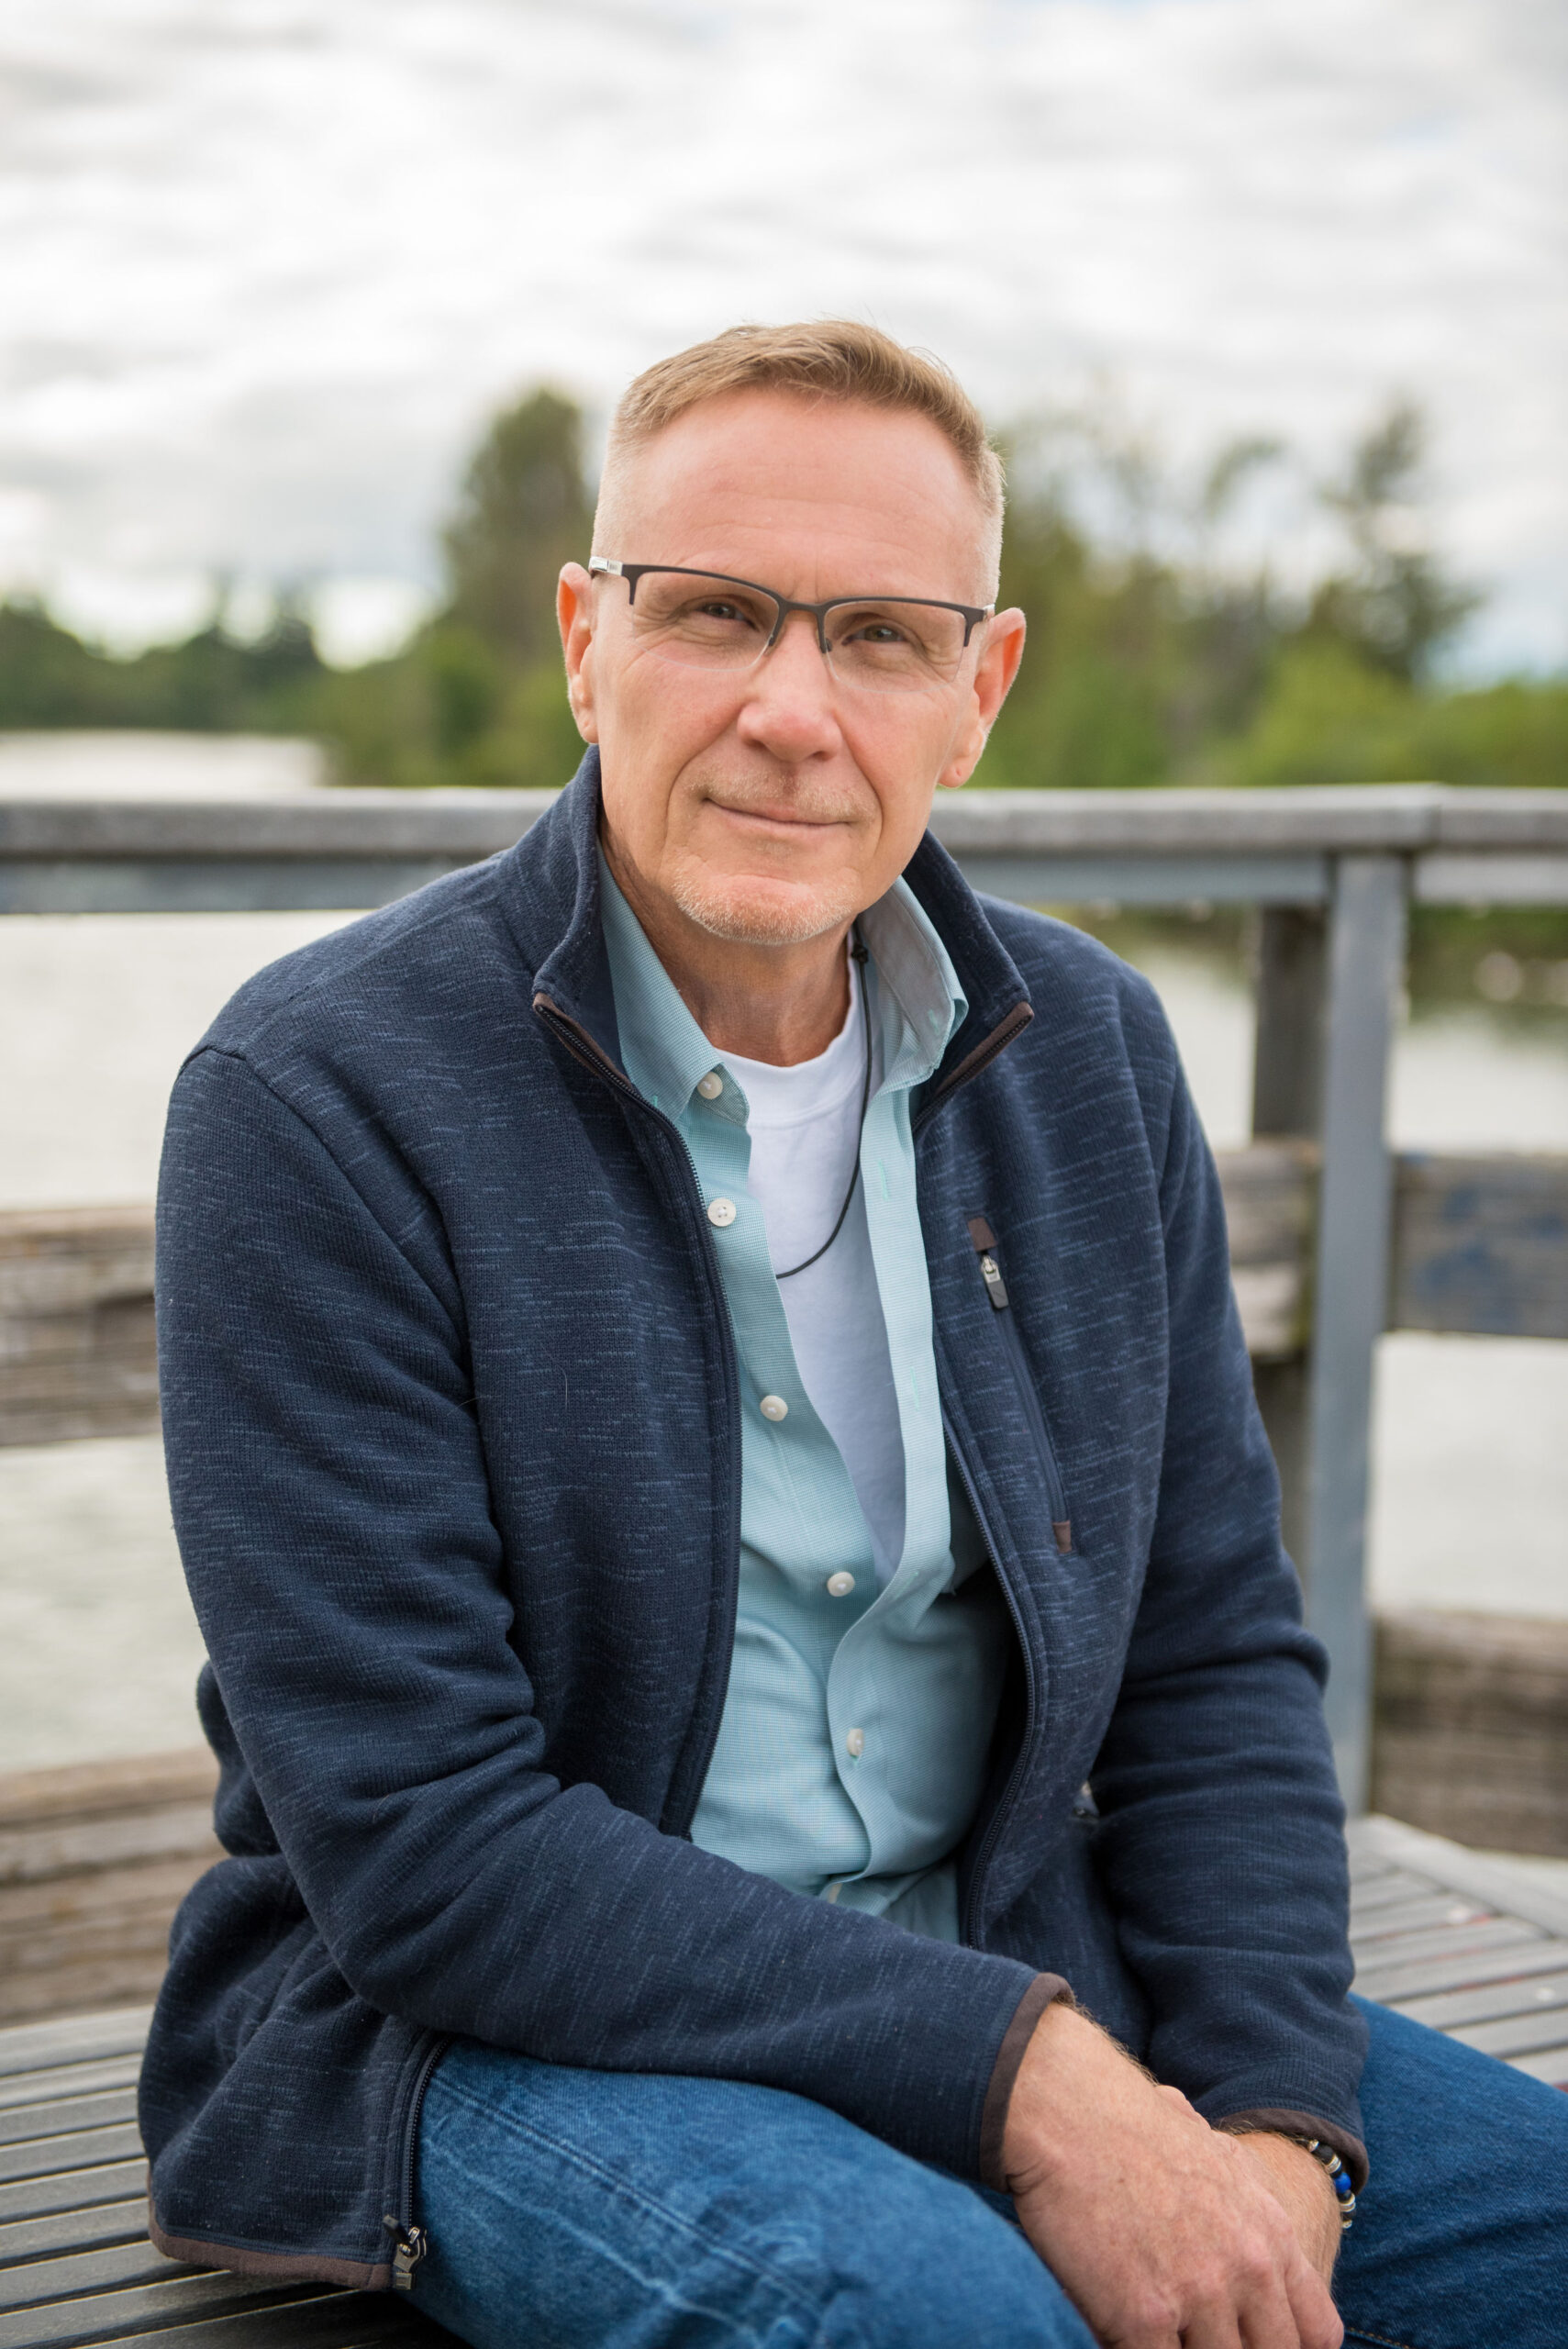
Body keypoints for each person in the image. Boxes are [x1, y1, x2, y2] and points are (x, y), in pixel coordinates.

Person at [141, 322, 1565, 2349]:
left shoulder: (1088, 1057)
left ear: (977, 691)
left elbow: (1210, 1658)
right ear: (584, 640)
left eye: (883, 635)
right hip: (479, 2034)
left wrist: (1273, 2118)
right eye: (715, 611)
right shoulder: (318, 1094)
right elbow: (428, 1852)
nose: (792, 711)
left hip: (1013, 1951)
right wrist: (1032, 2075)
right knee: (930, 2313)